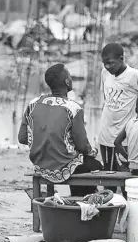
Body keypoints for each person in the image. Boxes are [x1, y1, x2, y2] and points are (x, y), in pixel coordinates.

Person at [18, 64, 102, 197]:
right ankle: (80, 201)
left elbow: (22, 138)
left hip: (40, 164)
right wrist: (92, 152)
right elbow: (82, 145)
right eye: (69, 75)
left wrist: (43, 141)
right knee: (95, 164)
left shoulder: (33, 104)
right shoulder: (73, 108)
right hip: (63, 167)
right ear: (67, 81)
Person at [99, 43, 138, 188]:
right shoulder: (105, 74)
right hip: (106, 135)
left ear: (121, 58)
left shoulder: (135, 75)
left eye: (111, 63)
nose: (107, 66)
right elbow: (106, 99)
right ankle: (111, 208)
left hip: (125, 137)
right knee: (109, 180)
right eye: (104, 63)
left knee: (129, 182)